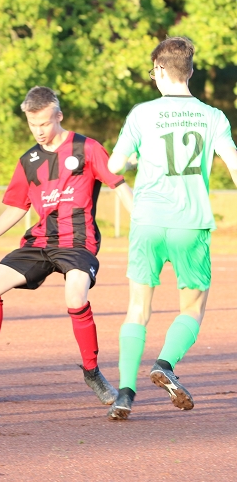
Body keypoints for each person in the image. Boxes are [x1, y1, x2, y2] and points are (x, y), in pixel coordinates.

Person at [0, 86, 133, 405]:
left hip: (78, 241)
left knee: (75, 292)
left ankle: (92, 372)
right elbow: (16, 207)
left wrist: (142, 224)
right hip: (40, 241)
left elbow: (118, 185)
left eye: (44, 123)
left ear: (59, 116)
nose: (38, 130)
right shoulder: (29, 160)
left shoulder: (87, 148)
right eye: (32, 124)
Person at [106, 37, 237, 420]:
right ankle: (164, 363)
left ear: (161, 70)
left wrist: (131, 158)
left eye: (153, 72)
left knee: (137, 309)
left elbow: (114, 167)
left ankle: (125, 394)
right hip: (190, 224)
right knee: (193, 307)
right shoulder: (213, 116)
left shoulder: (141, 114)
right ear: (190, 71)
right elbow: (233, 164)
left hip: (147, 221)